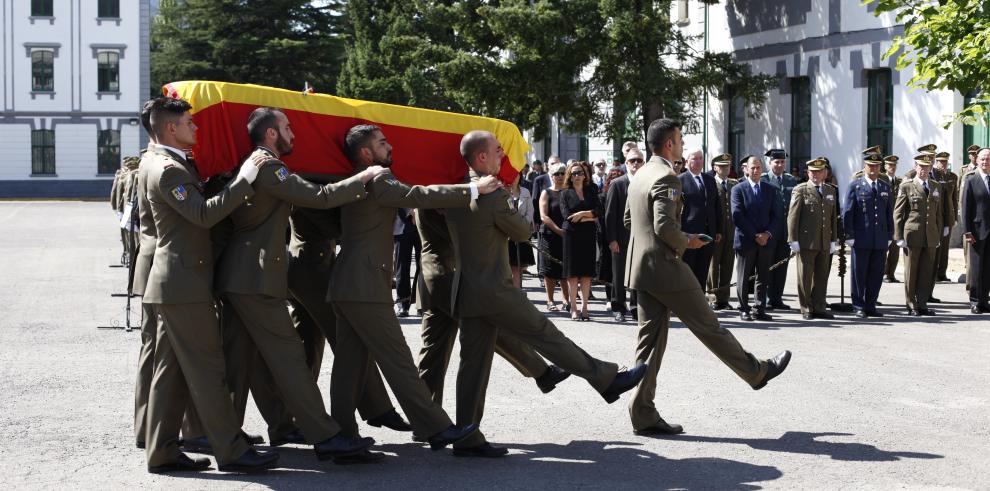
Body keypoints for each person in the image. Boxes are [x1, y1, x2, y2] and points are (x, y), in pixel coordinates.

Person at [444, 130, 648, 455]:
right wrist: (508, 198)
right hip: (495, 290)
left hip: (467, 290)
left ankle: (467, 437)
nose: (503, 157)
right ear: (481, 158)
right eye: (498, 151)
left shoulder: (454, 190)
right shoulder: (492, 194)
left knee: (472, 365)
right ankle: (605, 379)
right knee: (546, 334)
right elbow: (523, 231)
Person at [215, 107, 390, 462]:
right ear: (271, 135)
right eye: (288, 127)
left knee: (240, 359)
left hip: (240, 275)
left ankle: (222, 433)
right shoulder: (269, 166)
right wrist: (364, 178)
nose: (294, 133)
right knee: (289, 356)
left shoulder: (255, 164)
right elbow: (319, 198)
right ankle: (325, 436)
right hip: (255, 278)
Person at [328, 124, 491, 450]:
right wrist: (473, 190)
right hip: (365, 286)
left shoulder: (351, 181)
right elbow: (418, 195)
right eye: (382, 142)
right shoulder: (378, 177)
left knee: (349, 364)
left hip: (347, 283)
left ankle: (342, 436)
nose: (390, 146)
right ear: (365, 152)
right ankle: (435, 427)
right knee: (398, 360)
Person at [624, 118, 791, 436]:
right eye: (680, 139)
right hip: (666, 267)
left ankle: (642, 411)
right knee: (710, 328)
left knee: (648, 344)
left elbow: (630, 218)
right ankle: (757, 372)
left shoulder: (641, 174)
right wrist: (688, 240)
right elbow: (664, 227)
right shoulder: (667, 177)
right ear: (669, 144)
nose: (683, 144)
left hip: (643, 269)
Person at [141, 97, 279, 473]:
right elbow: (203, 216)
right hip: (184, 284)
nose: (196, 127)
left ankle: (162, 450)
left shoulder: (160, 161)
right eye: (189, 122)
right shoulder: (168, 169)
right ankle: (231, 450)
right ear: (170, 128)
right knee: (207, 369)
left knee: (170, 372)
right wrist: (245, 177)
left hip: (176, 283)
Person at [285, 198, 411, 436]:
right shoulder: (310, 183)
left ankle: (293, 417)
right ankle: (377, 408)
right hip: (311, 268)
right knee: (349, 340)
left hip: (312, 265)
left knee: (308, 346)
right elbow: (338, 228)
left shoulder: (316, 178)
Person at [843, 148, 894, 318]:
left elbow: (889, 213)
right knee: (859, 273)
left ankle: (871, 304)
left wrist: (889, 235)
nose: (873, 169)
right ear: (864, 166)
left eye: (876, 166)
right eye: (870, 166)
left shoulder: (885, 186)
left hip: (879, 238)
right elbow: (848, 212)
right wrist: (848, 234)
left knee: (876, 273)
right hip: (861, 237)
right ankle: (858, 305)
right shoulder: (855, 186)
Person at [894, 153, 947, 316]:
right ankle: (911, 303)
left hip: (930, 235)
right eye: (921, 167)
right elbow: (898, 212)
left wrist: (938, 234)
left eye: (927, 167)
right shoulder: (907, 186)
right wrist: (899, 236)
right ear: (916, 167)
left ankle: (922, 303)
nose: (924, 170)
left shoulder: (935, 186)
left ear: (930, 168)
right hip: (913, 234)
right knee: (911, 271)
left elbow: (938, 213)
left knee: (926, 270)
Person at [787, 158, 838, 320]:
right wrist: (792, 239)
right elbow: (792, 217)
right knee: (805, 277)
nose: (816, 174)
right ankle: (806, 308)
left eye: (819, 171)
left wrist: (833, 240)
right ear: (808, 173)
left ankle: (819, 306)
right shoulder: (800, 190)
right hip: (806, 241)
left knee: (822, 276)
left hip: (824, 241)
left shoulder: (830, 190)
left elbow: (832, 218)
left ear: (825, 172)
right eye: (812, 172)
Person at [731, 155, 779, 322]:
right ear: (746, 169)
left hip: (766, 241)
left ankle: (759, 308)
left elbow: (776, 215)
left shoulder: (770, 189)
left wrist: (767, 234)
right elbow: (738, 217)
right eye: (752, 167)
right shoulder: (738, 189)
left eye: (758, 167)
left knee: (763, 276)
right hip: (746, 240)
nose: (756, 170)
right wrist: (755, 235)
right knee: (743, 277)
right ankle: (743, 309)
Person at [560, 160, 601, 321]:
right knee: (572, 275)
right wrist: (590, 217)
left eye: (580, 172)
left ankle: (585, 308)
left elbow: (599, 211)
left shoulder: (592, 189)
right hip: (572, 236)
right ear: (570, 175)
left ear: (585, 175)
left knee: (586, 274)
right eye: (574, 173)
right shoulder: (564, 193)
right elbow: (567, 217)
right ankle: (574, 308)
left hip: (588, 235)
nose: (578, 175)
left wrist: (583, 214)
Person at [605, 149, 643, 322]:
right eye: (632, 160)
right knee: (619, 274)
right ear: (626, 163)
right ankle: (618, 306)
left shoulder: (645, 182)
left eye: (639, 160)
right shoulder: (617, 183)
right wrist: (611, 239)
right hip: (621, 238)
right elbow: (610, 214)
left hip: (641, 238)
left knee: (637, 274)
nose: (636, 163)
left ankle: (635, 307)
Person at [761, 148, 798, 310]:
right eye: (776, 162)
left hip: (785, 231)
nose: (780, 165)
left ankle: (777, 298)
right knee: (767, 265)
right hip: (769, 231)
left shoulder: (791, 181)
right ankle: (767, 298)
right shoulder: (764, 180)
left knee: (782, 266)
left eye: (782, 162)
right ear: (769, 163)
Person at [679, 148, 721, 289]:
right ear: (686, 161)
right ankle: (688, 305)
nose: (698, 162)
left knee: (703, 271)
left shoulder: (709, 179)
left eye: (700, 158)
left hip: (708, 233)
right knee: (688, 271)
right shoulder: (680, 180)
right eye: (694, 158)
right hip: (689, 234)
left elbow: (716, 206)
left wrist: (718, 229)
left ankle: (700, 303)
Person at [538, 162, 570, 311]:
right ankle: (550, 301)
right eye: (556, 174)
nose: (560, 176)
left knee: (565, 270)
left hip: (567, 236)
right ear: (551, 176)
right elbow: (543, 216)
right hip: (550, 236)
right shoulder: (547, 192)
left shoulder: (570, 192)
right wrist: (558, 230)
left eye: (562, 173)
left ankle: (566, 300)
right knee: (550, 270)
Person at [961, 148, 990, 313]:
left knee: (988, 268)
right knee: (976, 268)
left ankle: (985, 300)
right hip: (977, 231)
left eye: (988, 159)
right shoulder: (971, 180)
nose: (985, 162)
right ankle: (974, 301)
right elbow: (966, 207)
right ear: (977, 161)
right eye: (983, 159)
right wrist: (967, 231)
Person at [708, 154, 737, 310]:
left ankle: (724, 299)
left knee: (728, 265)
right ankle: (713, 297)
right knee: (713, 266)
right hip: (716, 233)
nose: (726, 169)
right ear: (715, 168)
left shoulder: (734, 184)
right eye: (722, 166)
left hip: (731, 232)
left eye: (728, 166)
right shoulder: (710, 183)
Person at [933, 152, 959, 282]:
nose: (943, 164)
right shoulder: (933, 175)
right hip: (936, 216)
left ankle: (942, 272)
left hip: (947, 215)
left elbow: (954, 198)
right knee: (936, 246)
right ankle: (934, 273)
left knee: (945, 247)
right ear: (936, 162)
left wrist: (954, 218)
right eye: (940, 162)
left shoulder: (952, 177)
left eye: (945, 162)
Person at [392, 208, 421, 316]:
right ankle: (403, 304)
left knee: (422, 266)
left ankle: (421, 303)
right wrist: (410, 212)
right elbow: (396, 194)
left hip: (423, 221)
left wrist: (417, 213)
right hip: (402, 226)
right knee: (402, 267)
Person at [508, 180, 536, 287]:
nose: (514, 178)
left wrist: (523, 225)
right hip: (507, 233)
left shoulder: (525, 192)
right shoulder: (503, 191)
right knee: (508, 265)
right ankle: (510, 291)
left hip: (522, 232)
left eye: (516, 175)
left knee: (518, 266)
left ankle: (517, 290)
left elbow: (530, 211)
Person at [883, 155, 903, 283]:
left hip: (897, 220)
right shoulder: (881, 180)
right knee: (884, 247)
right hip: (884, 218)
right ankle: (884, 273)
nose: (892, 167)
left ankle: (891, 273)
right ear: (885, 166)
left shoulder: (900, 181)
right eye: (889, 165)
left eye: (894, 165)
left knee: (895, 249)